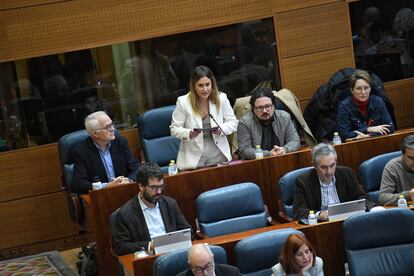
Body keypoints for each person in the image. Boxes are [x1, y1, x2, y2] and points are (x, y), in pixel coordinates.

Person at [111, 162, 192, 256]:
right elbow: (120, 247)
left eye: (161, 186)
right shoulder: (125, 213)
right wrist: (149, 245)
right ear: (141, 186)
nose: (159, 192)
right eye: (154, 187)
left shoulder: (170, 204)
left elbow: (188, 232)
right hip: (147, 258)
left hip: (174, 254)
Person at [170, 66, 238, 170]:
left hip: (218, 152)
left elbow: (233, 122)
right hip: (193, 155)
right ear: (194, 86)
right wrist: (188, 133)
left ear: (212, 84)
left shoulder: (221, 98)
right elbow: (174, 129)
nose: (205, 89)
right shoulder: (183, 102)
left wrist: (221, 129)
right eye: (200, 85)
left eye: (207, 84)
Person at [293, 143, 373, 221]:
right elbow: (299, 212)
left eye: (332, 165)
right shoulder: (303, 181)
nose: (329, 172)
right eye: (324, 167)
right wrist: (319, 215)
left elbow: (363, 198)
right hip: (321, 226)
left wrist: (362, 206)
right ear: (315, 166)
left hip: (347, 221)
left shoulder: (346, 173)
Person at [72, 111, 139, 194]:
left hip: (125, 191)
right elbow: (79, 184)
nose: (113, 129)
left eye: (112, 124)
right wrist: (106, 186)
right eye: (108, 127)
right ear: (95, 133)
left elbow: (136, 168)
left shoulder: (120, 142)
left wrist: (129, 180)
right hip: (101, 197)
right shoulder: (81, 151)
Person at [237, 87, 300, 160]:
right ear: (253, 109)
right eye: (260, 108)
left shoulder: (284, 117)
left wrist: (284, 149)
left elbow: (295, 141)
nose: (264, 111)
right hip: (258, 163)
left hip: (282, 159)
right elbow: (245, 151)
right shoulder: (244, 123)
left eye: (267, 106)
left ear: (273, 106)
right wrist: (268, 154)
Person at [337, 69, 394, 141]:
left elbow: (390, 128)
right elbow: (344, 134)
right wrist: (369, 129)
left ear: (370, 88)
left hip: (378, 142)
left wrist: (368, 136)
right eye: (358, 88)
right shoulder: (344, 107)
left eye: (366, 88)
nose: (363, 92)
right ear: (352, 90)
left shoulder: (378, 101)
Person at [379, 135, 414, 205]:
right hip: (406, 211)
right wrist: (408, 195)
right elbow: (383, 199)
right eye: (411, 158)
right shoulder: (392, 167)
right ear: (403, 155)